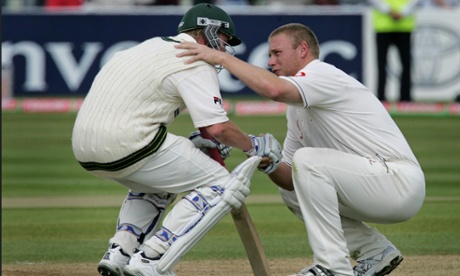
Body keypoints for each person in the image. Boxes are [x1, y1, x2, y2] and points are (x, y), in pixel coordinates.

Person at [176, 23, 425, 276]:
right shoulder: (296, 109)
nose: (270, 61)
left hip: (398, 182)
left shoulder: (323, 74)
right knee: (294, 187)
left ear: (303, 49)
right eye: (269, 54)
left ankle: (332, 267)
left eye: (276, 53)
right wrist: (264, 158)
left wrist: (219, 56)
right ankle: (375, 252)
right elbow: (290, 179)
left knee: (307, 160)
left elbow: (274, 89)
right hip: (372, 186)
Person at [71, 3, 282, 276]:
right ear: (210, 32)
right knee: (223, 184)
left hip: (84, 147)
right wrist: (254, 146)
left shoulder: (144, 47)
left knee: (159, 181)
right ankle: (152, 257)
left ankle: (120, 252)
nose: (224, 50)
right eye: (224, 40)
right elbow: (218, 128)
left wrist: (196, 143)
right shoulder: (195, 59)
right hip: (130, 143)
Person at [368, 0, 420, 102]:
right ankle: (381, 96)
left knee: (406, 64)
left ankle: (405, 97)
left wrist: (401, 12)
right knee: (382, 64)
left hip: (402, 26)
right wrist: (392, 11)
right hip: (385, 26)